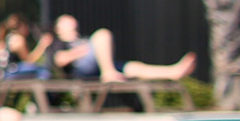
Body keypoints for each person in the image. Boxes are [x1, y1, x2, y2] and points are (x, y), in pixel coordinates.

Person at [50, 14, 197, 83]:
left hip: (99, 66)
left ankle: (173, 72)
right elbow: (59, 60)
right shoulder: (60, 42)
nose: (73, 22)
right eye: (66, 21)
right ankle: (109, 73)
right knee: (103, 34)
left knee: (134, 67)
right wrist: (80, 52)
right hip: (81, 70)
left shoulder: (83, 38)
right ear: (58, 28)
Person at [0, 13, 52, 80]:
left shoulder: (4, 39)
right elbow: (28, 61)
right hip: (9, 73)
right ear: (22, 26)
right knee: (44, 72)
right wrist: (42, 45)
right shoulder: (18, 39)